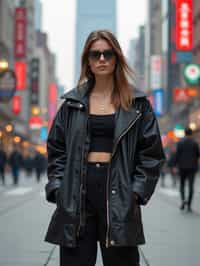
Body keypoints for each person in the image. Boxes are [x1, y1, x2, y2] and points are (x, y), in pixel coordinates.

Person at [44, 30, 165, 266]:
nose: (101, 59)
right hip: (77, 195)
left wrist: (136, 191)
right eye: (95, 54)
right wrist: (58, 187)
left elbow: (151, 152)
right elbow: (56, 148)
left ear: (117, 58)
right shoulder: (72, 104)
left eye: (107, 54)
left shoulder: (137, 104)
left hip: (120, 193)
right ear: (87, 61)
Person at [174, 127, 200, 212]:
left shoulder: (180, 143)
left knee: (182, 184)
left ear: (184, 133)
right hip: (192, 167)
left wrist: (174, 165)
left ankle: (183, 200)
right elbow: (198, 155)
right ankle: (189, 204)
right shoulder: (194, 143)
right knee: (191, 186)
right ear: (191, 134)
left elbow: (177, 155)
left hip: (182, 167)